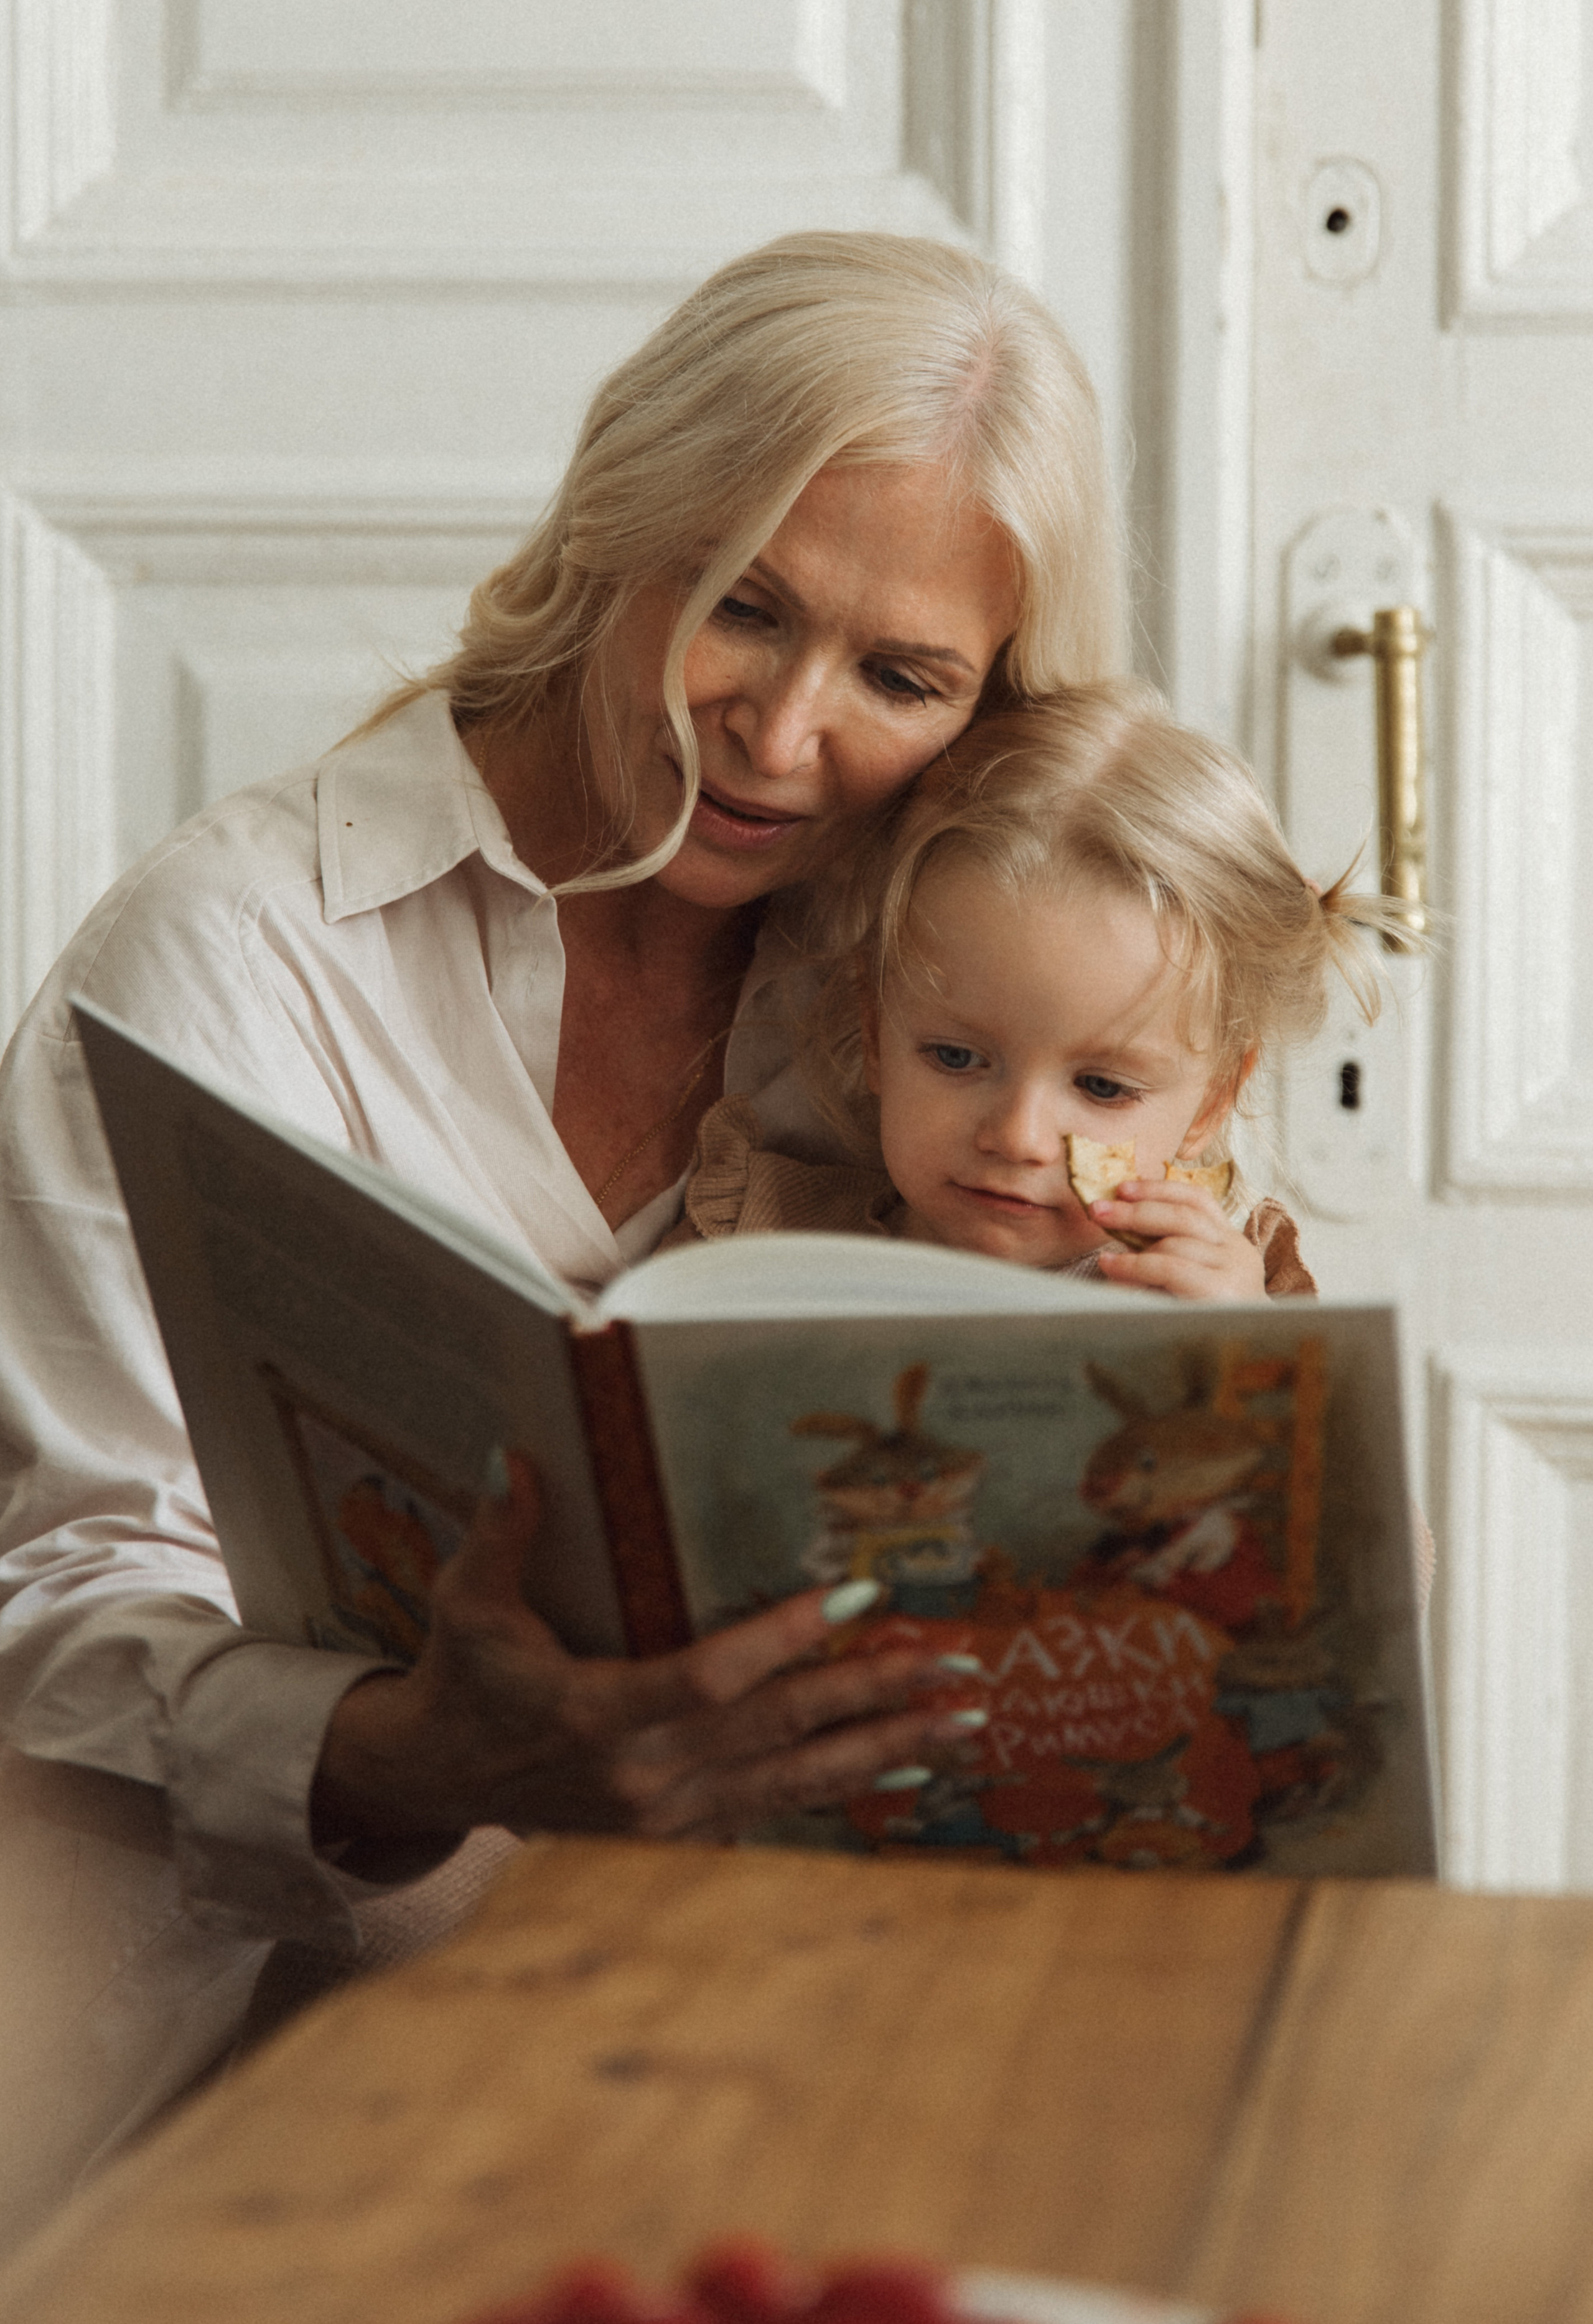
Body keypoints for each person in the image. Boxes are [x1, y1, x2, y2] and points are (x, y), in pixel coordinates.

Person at [0, 231, 1125, 2247]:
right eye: (739, 608)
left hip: (816, 2045)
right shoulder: (233, 952)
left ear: (987, 705)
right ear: (618, 525)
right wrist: (401, 1751)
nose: (781, 737)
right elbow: (66, 1581)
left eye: (900, 675)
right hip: (266, 2059)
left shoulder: (970, 1004)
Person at [668, 681, 1397, 1297]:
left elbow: (1323, 1468)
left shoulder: (1222, 1296)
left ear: (1210, 1100)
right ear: (873, 1032)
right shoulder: (760, 1242)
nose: (1017, 1137)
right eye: (955, 1059)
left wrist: (1239, 1362)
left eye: (1103, 1088)